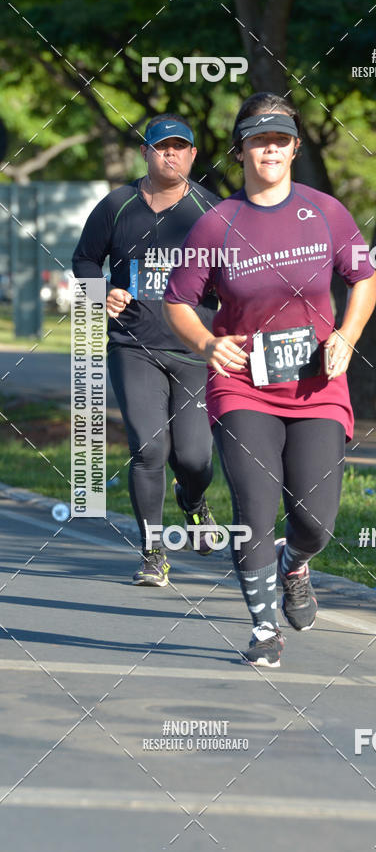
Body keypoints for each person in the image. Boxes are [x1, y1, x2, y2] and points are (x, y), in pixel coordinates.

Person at [164, 93, 376, 666]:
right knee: (254, 507)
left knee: (315, 519)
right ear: (241, 151)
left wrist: (347, 337)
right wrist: (207, 343)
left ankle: (296, 562)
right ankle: (262, 629)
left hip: (316, 387)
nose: (271, 150)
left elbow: (362, 279)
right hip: (243, 387)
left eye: (280, 139)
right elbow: (177, 302)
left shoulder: (326, 211)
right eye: (259, 140)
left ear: (294, 147)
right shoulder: (217, 223)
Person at [72, 113, 219, 587]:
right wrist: (101, 293)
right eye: (161, 147)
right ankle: (153, 551)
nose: (170, 154)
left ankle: (193, 503)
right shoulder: (117, 205)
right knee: (148, 447)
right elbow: (85, 258)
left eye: (180, 147)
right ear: (146, 153)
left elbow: (234, 275)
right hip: (132, 345)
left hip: (195, 349)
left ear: (193, 155)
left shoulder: (211, 212)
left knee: (194, 458)